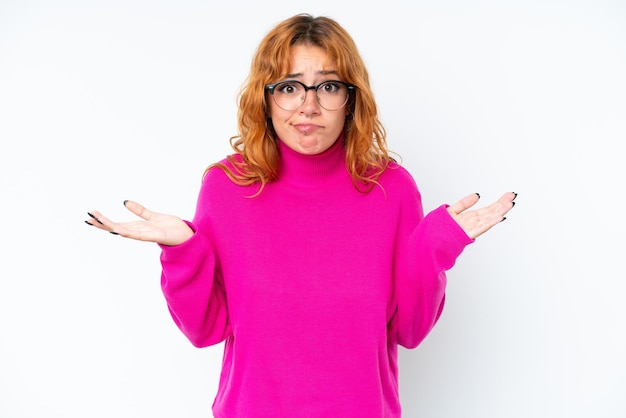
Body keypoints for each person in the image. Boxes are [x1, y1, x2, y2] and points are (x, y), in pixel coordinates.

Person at [85, 13, 516, 418]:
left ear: (351, 100)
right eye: (289, 87)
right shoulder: (227, 188)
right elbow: (205, 330)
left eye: (328, 87)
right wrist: (182, 251)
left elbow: (410, 330)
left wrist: (433, 249)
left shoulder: (392, 189)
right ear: (266, 98)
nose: (308, 106)